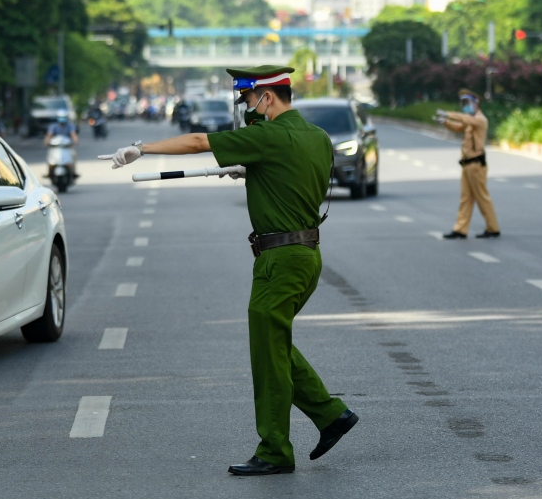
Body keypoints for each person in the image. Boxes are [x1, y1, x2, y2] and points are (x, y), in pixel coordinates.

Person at [99, 65, 358, 477]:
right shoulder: (317, 137)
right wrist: (252, 169)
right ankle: (330, 415)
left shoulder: (269, 136)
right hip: (306, 255)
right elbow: (290, 176)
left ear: (267, 98)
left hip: (280, 258)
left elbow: (200, 140)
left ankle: (275, 450)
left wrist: (142, 148)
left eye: (249, 100)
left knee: (268, 353)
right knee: (272, 344)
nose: (247, 109)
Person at [437, 89, 500, 240]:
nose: (465, 106)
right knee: (465, 198)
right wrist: (445, 122)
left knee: (482, 197)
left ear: (476, 103)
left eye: (467, 103)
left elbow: (464, 119)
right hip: (466, 164)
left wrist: (448, 114)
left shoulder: (479, 120)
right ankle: (460, 229)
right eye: (463, 103)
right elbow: (459, 127)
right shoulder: (470, 120)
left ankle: (493, 228)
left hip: (476, 164)